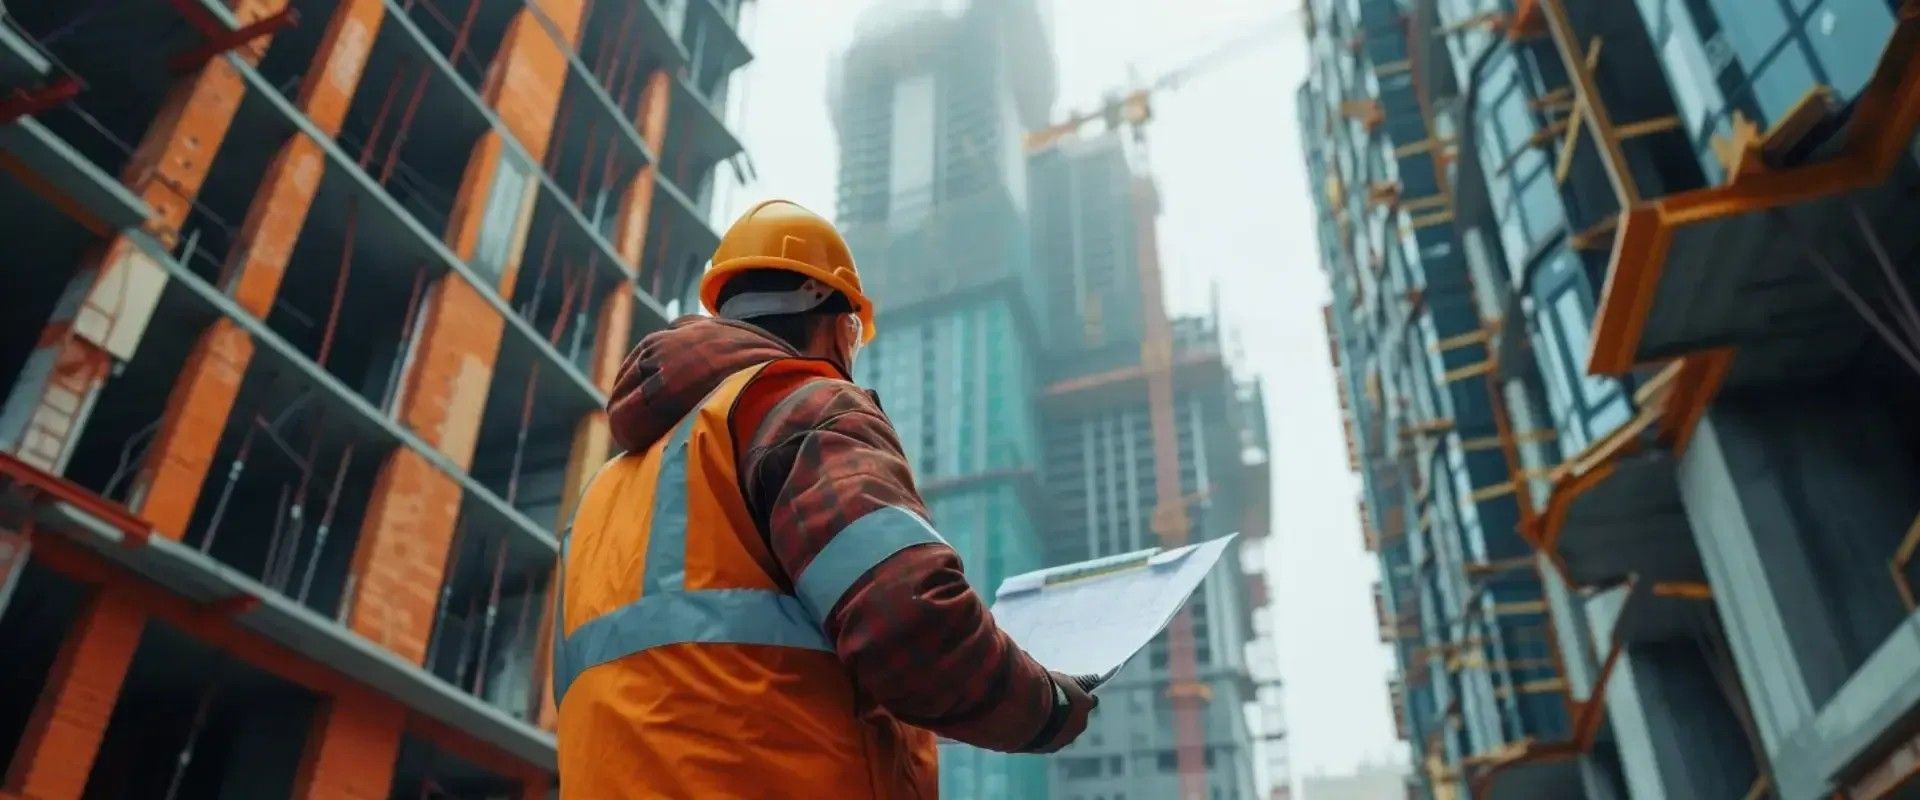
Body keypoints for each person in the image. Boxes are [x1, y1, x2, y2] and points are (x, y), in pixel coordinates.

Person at [552, 199, 1098, 798]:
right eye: (855, 335)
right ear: (837, 323)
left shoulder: (603, 494)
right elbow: (912, 623)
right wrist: (1044, 704)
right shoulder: (800, 407)